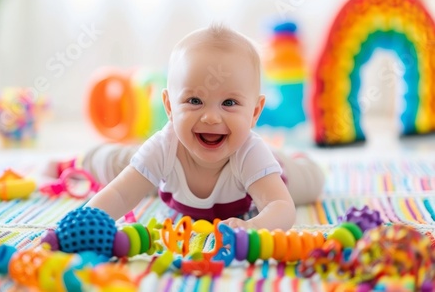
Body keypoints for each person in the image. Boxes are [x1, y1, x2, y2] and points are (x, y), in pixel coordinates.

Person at [76, 24, 324, 230]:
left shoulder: (250, 153)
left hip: (272, 170)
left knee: (313, 182)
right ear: (170, 107)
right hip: (175, 155)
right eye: (195, 101)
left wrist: (252, 228)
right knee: (117, 166)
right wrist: (85, 222)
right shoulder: (165, 145)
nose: (211, 118)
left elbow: (281, 208)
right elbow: (120, 195)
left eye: (229, 103)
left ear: (255, 113)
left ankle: (292, 158)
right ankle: (81, 159)